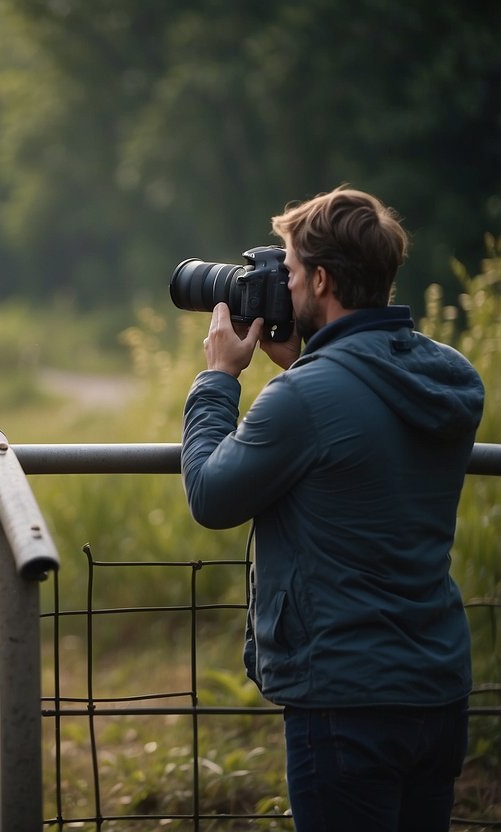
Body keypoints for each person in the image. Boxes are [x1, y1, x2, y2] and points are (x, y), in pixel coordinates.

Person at [179, 186, 484, 831]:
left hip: (346, 702)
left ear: (319, 279)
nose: (279, 284)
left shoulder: (307, 397)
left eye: (286, 271)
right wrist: (303, 365)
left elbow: (209, 495)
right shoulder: (446, 375)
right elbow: (358, 425)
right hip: (438, 688)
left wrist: (218, 380)